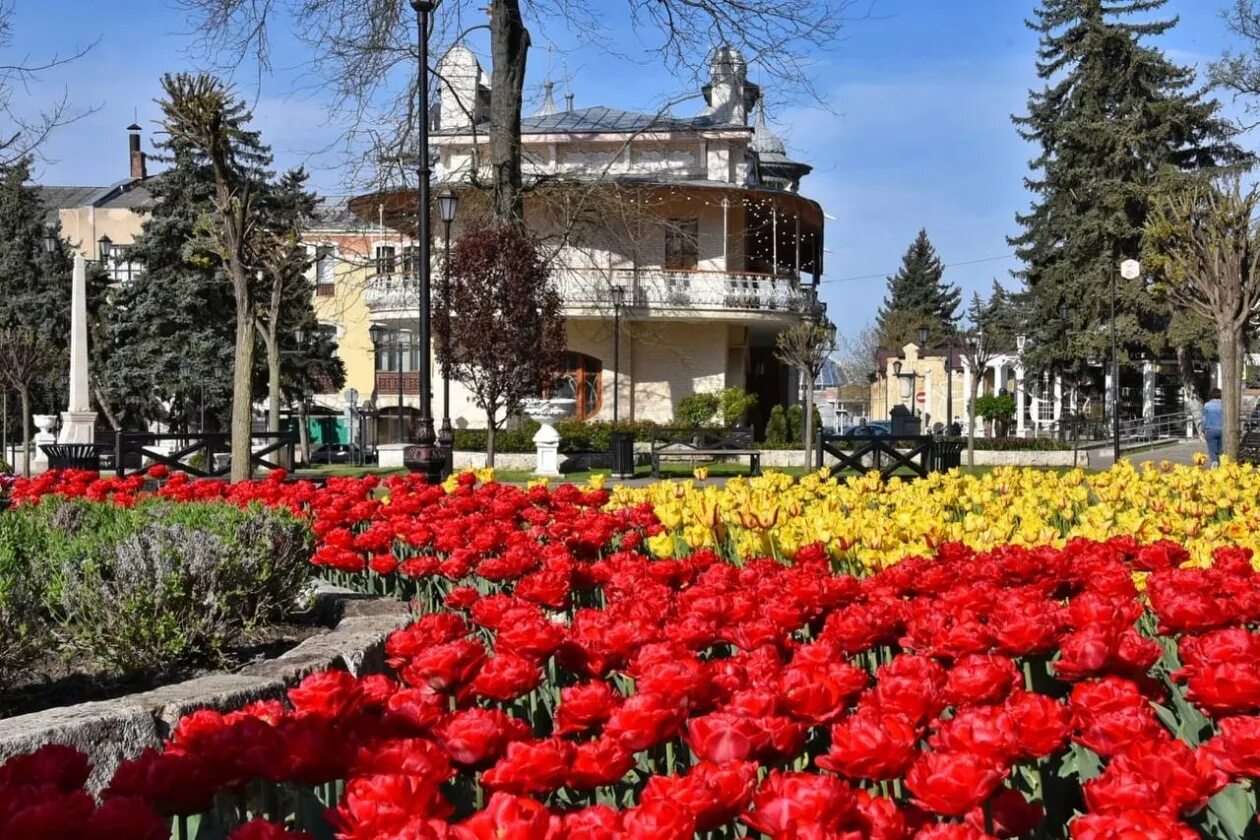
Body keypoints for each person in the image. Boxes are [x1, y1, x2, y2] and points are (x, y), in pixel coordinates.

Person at [1202, 388, 1223, 467]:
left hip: (1210, 429)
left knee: (1212, 449)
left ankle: (1214, 462)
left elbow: (1204, 419)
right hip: (1222, 429)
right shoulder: (1223, 405)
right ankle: (1221, 463)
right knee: (1221, 449)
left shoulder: (1207, 405)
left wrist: (1203, 430)